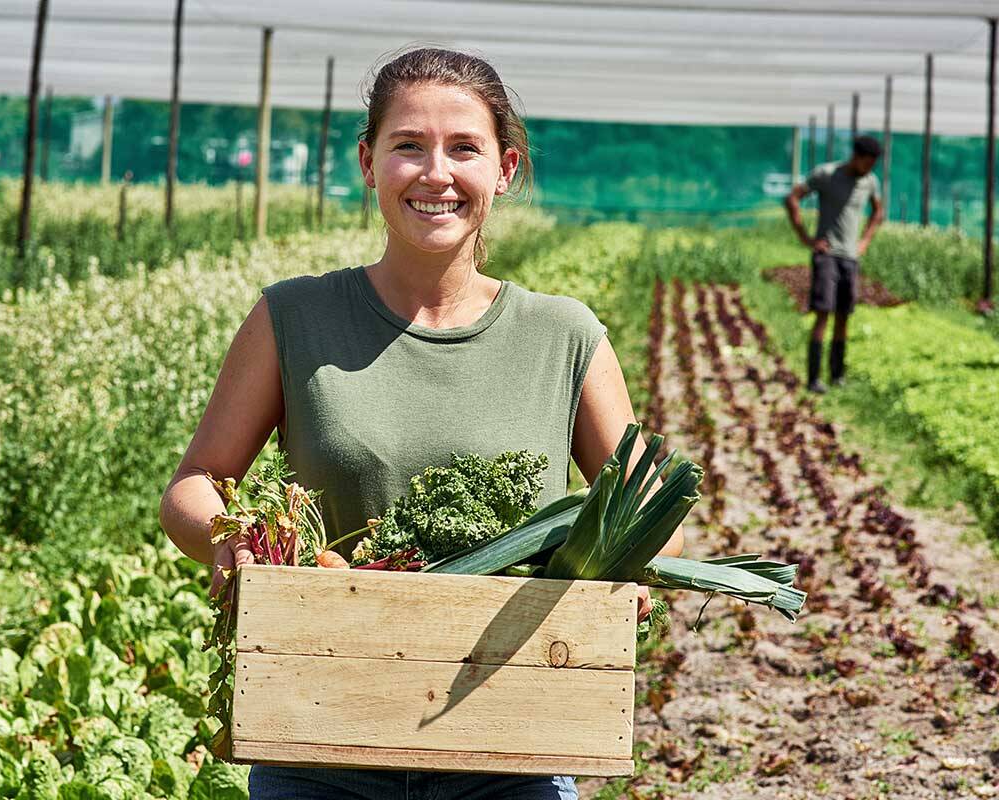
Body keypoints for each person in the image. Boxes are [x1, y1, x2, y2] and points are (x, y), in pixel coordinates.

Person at [159, 47, 682, 800]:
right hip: (318, 735)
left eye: (463, 148)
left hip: (511, 746)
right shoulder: (293, 317)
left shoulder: (564, 336)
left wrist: (621, 566)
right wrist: (230, 540)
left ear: (503, 170)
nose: (436, 173)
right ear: (369, 163)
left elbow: (651, 506)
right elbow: (198, 482)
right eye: (409, 146)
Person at [784, 135, 885, 394]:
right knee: (823, 314)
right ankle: (814, 378)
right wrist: (806, 237)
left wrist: (864, 242)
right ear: (856, 156)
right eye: (868, 163)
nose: (869, 169)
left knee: (844, 316)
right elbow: (793, 198)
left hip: (850, 258)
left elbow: (878, 212)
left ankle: (837, 375)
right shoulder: (827, 174)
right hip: (827, 255)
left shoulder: (870, 182)